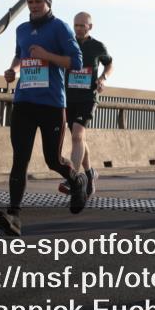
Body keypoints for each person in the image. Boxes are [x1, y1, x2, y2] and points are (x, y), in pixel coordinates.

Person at [0, 0, 87, 237]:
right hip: (24, 101)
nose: (34, 5)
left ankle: (77, 180)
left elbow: (76, 62)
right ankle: (14, 215)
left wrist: (47, 55)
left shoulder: (59, 28)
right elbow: (19, 55)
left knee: (52, 159)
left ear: (48, 3)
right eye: (30, 1)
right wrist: (12, 70)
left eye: (39, 1)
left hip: (51, 104)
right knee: (19, 160)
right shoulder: (21, 29)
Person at [58, 11, 113, 197]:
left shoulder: (97, 46)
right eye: (76, 25)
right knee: (79, 138)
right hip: (68, 97)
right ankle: (90, 173)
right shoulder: (68, 44)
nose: (79, 29)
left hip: (88, 97)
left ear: (90, 26)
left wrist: (103, 78)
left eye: (83, 25)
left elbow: (109, 63)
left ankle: (72, 176)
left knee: (77, 136)